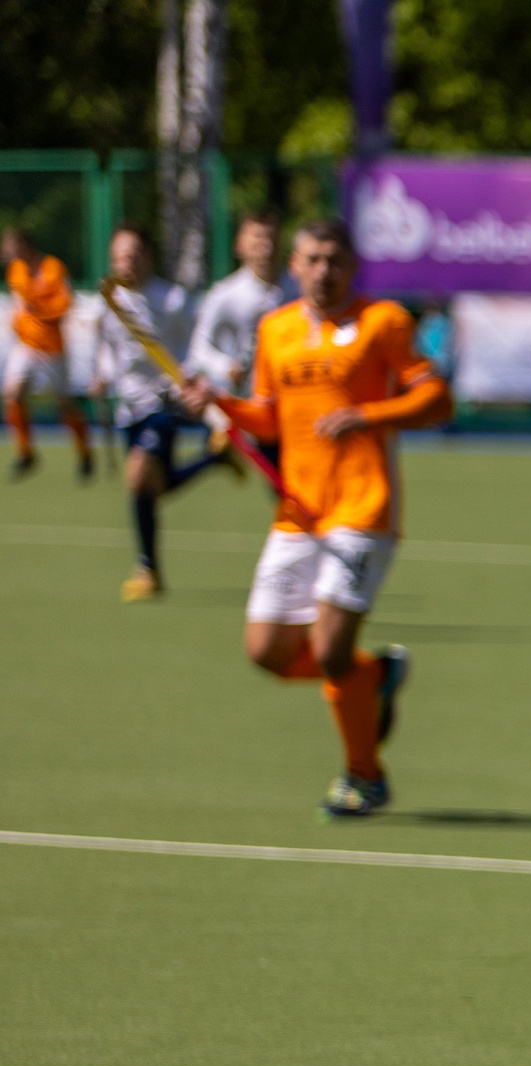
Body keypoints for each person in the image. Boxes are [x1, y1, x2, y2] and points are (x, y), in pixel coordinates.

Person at [181, 218, 450, 818]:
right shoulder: (274, 330)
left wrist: (370, 415)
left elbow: (438, 399)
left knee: (328, 649)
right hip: (299, 511)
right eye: (313, 260)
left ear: (352, 266)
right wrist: (218, 403)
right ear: (294, 268)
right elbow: (270, 417)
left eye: (335, 260)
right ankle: (374, 676)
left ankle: (365, 776)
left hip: (362, 507)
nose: (324, 271)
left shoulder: (385, 322)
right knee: (268, 651)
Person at [93, 226, 233, 602]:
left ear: (148, 257)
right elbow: (109, 350)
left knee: (139, 476)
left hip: (163, 402)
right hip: (129, 405)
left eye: (135, 254)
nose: (128, 262)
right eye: (120, 256)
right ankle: (213, 462)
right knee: (154, 486)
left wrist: (188, 375)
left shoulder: (171, 300)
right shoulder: (111, 303)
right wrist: (102, 377)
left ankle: (145, 569)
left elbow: (194, 346)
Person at [185, 206, 290, 467]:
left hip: (295, 400)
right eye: (257, 237)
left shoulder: (297, 290)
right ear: (240, 245)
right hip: (255, 406)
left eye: (271, 238)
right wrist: (226, 367)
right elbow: (199, 349)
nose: (265, 246)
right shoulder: (226, 294)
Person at [4, 227, 97, 482]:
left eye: (10, 246)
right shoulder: (16, 271)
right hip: (26, 346)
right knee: (13, 394)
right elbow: (19, 305)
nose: (6, 252)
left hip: (52, 349)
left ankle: (84, 453)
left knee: (65, 404)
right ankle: (25, 453)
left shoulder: (52, 268)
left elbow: (66, 304)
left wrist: (40, 309)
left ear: (24, 246)